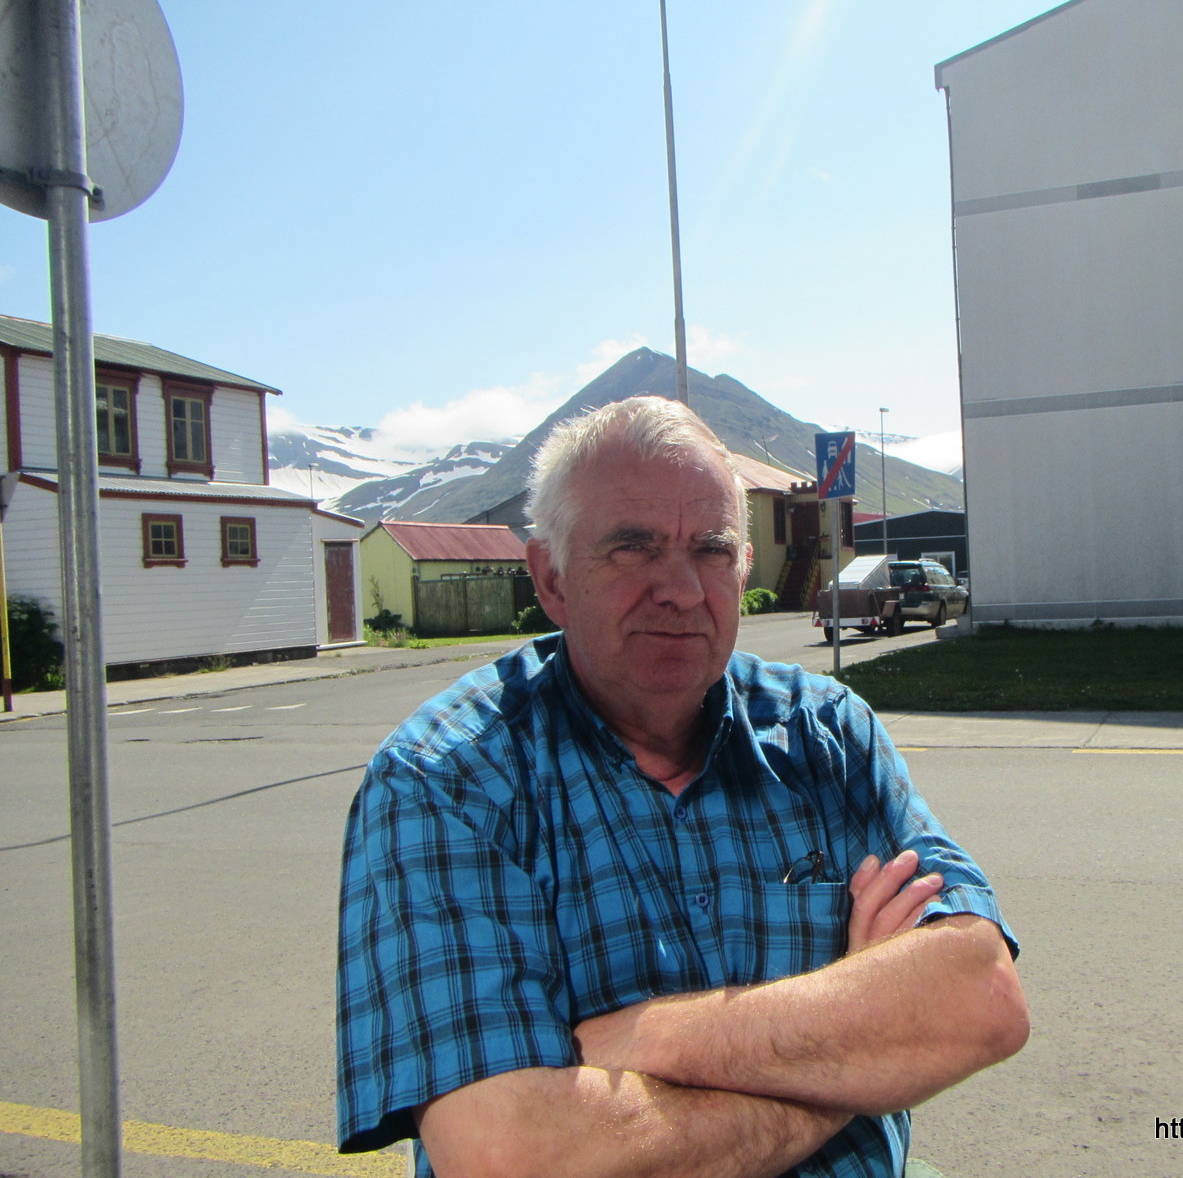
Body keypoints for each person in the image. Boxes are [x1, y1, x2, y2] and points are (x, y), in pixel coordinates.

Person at [336, 396, 1028, 1178]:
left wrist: (645, 1037)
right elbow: (511, 1157)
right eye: (632, 548)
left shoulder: (827, 734)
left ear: (741, 568)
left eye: (711, 550)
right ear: (552, 578)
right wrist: (857, 1051)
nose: (682, 589)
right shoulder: (449, 780)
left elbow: (981, 998)